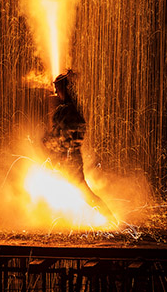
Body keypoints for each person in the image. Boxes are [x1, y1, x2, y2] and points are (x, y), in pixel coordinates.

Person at [43, 71, 116, 223]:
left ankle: (111, 219)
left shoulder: (70, 110)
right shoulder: (68, 108)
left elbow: (76, 133)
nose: (56, 92)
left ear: (65, 88)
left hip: (69, 160)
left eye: (58, 88)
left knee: (84, 193)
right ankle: (59, 222)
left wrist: (66, 150)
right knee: (62, 190)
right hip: (65, 159)